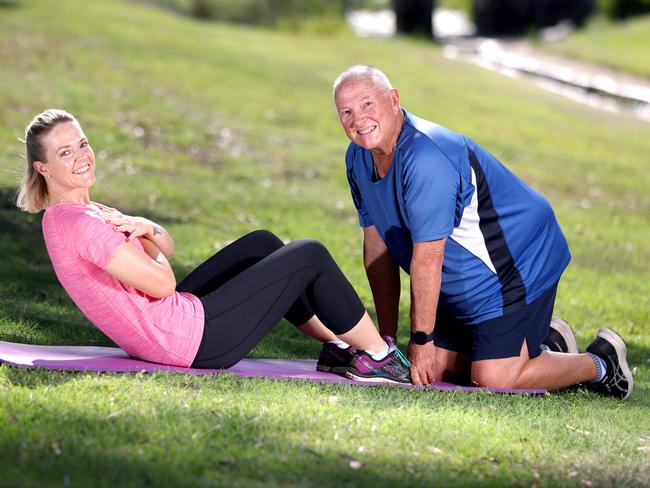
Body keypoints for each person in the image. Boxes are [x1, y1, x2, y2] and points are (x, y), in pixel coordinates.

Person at [16, 108, 412, 383]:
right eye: (65, 152)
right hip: (187, 342)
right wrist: (148, 240)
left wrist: (145, 226)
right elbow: (163, 284)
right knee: (309, 255)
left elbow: (164, 246)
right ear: (43, 168)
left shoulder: (85, 210)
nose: (82, 156)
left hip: (166, 325)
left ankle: (339, 348)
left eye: (82, 143)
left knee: (262, 244)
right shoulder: (80, 224)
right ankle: (381, 356)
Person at [332, 65, 633, 399]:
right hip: (464, 280)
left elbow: (428, 259)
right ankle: (546, 350)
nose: (358, 119)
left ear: (393, 99)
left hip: (517, 260)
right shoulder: (357, 159)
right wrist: (384, 343)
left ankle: (602, 363)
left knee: (492, 378)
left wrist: (421, 340)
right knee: (436, 370)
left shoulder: (425, 157)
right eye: (346, 112)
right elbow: (378, 248)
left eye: (367, 104)